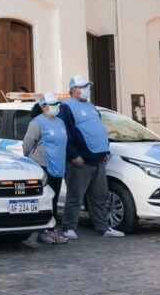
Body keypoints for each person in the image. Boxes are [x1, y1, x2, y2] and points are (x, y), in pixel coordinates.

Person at [58, 75, 123, 239]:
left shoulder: (91, 106)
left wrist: (105, 151)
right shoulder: (66, 107)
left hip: (98, 158)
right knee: (75, 195)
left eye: (88, 86)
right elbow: (65, 133)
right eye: (83, 86)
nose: (87, 89)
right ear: (73, 89)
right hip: (81, 160)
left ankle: (102, 227)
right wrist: (73, 154)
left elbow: (99, 128)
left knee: (100, 196)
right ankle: (68, 227)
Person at [22, 94, 68, 244]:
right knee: (45, 200)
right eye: (52, 104)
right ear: (43, 106)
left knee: (53, 200)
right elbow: (28, 143)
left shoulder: (60, 122)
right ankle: (43, 231)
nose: (56, 107)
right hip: (43, 165)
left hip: (58, 165)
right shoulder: (37, 123)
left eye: (57, 104)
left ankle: (52, 229)